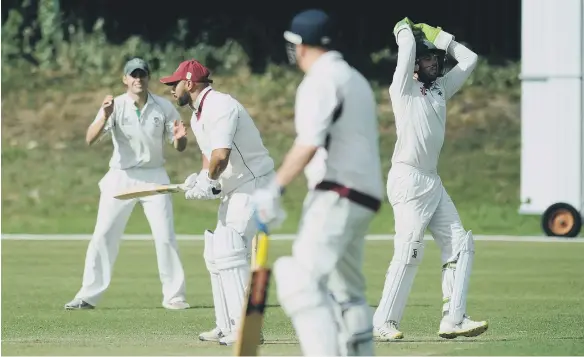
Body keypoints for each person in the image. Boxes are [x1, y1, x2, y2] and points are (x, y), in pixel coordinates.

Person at [252, 9, 384, 356]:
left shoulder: (320, 79)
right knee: (348, 295)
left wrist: (273, 188)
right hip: (364, 198)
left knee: (298, 279)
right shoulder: (353, 78)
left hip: (337, 193)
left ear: (300, 46)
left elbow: (309, 142)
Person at [372, 18, 488, 341]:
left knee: (461, 244)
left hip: (432, 182)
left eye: (435, 59)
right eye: (427, 59)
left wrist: (441, 38)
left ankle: (454, 318)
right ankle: (383, 321)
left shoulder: (440, 89)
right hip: (407, 178)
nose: (433, 63)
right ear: (414, 66)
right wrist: (402, 28)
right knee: (409, 249)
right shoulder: (403, 88)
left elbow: (470, 59)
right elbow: (407, 47)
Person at [159, 59, 275, 346]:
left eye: (175, 84)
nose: (172, 89)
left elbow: (221, 156)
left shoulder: (221, 106)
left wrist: (210, 182)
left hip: (254, 184)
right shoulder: (198, 115)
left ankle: (245, 329)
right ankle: (225, 325)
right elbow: (209, 157)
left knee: (230, 248)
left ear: (190, 82)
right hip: (235, 187)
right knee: (215, 252)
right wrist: (200, 179)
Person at [64, 57, 190, 311]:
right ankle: (87, 295)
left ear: (148, 77)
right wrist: (104, 117)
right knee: (103, 235)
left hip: (154, 176)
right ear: (125, 79)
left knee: (165, 237)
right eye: (133, 75)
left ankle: (174, 296)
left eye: (142, 74)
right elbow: (90, 138)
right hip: (121, 176)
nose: (138, 79)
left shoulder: (164, 107)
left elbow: (179, 145)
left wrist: (179, 140)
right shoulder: (115, 106)